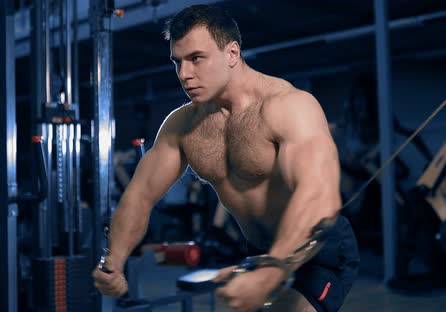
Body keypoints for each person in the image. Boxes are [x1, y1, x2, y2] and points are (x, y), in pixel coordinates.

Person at [92, 4, 359, 312]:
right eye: (177, 62)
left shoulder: (288, 107)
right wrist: (113, 260)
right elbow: (139, 196)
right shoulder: (182, 125)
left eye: (196, 59)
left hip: (317, 249)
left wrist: (271, 269)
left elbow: (318, 197)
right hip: (260, 251)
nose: (184, 74)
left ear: (232, 53)